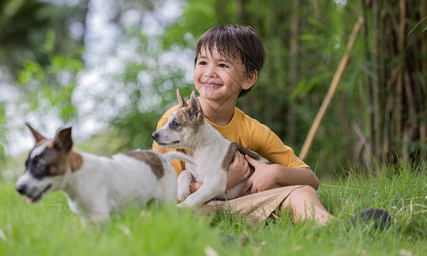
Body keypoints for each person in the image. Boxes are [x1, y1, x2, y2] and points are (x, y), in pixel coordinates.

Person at [152, 24, 386, 227]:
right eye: (203, 62)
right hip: (194, 208)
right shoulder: (172, 123)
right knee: (158, 214)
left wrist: (273, 171)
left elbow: (310, 178)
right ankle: (223, 237)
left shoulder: (253, 130)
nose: (210, 72)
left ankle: (331, 226)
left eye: (223, 65)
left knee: (302, 192)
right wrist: (223, 181)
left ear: (248, 78)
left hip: (244, 205)